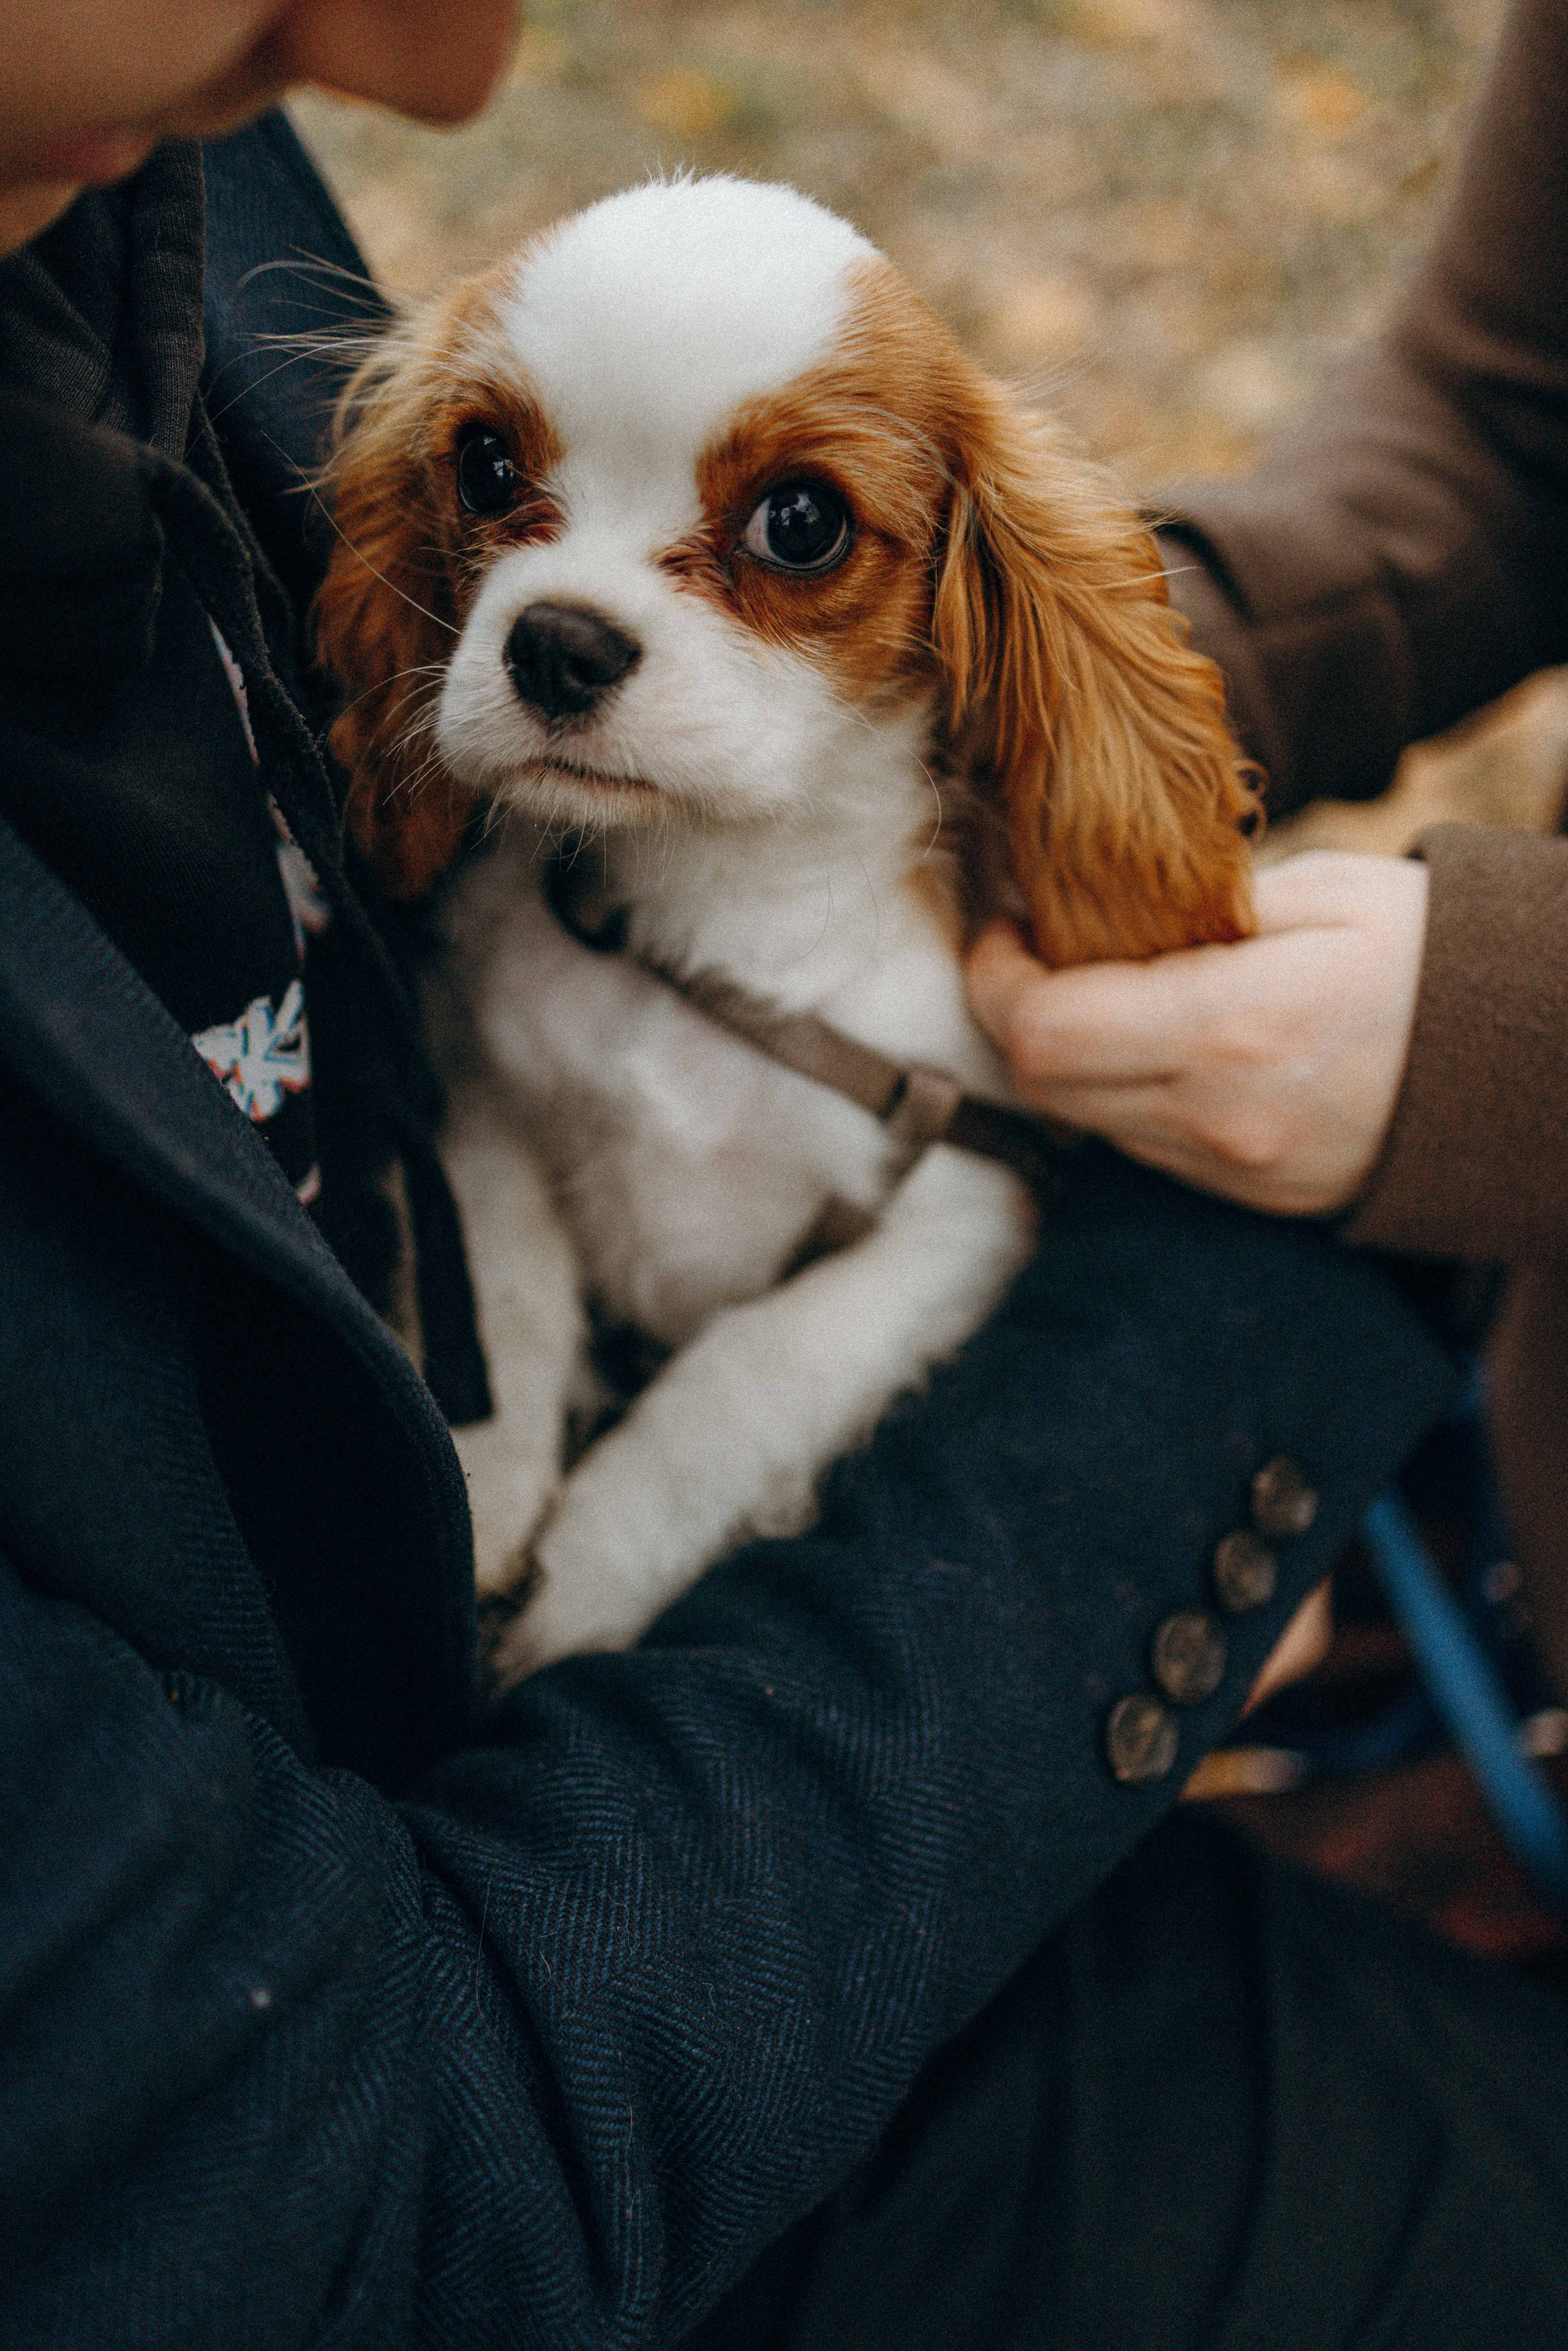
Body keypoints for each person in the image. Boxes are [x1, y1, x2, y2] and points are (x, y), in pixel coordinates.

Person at [0, 6, 1550, 2349]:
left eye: (792, 533)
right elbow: (379, 2186)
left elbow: (1491, 427)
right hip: (546, 2078)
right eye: (499, 488)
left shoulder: (126, 159)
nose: (445, 59)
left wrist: (1446, 1025)